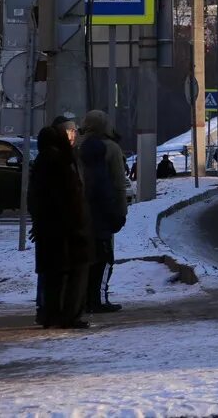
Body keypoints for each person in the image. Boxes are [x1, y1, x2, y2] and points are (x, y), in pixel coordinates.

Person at [28, 125, 92, 329]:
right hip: (68, 231)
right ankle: (70, 316)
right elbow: (73, 198)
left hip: (47, 230)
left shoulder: (40, 162)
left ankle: (50, 315)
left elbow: (34, 199)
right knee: (75, 274)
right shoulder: (64, 162)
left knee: (51, 277)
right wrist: (80, 225)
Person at [78, 109, 129, 314]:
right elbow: (118, 184)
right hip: (102, 212)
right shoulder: (112, 149)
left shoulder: (77, 146)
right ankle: (98, 298)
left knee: (87, 258)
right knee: (105, 257)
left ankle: (83, 299)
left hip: (79, 212)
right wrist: (120, 212)